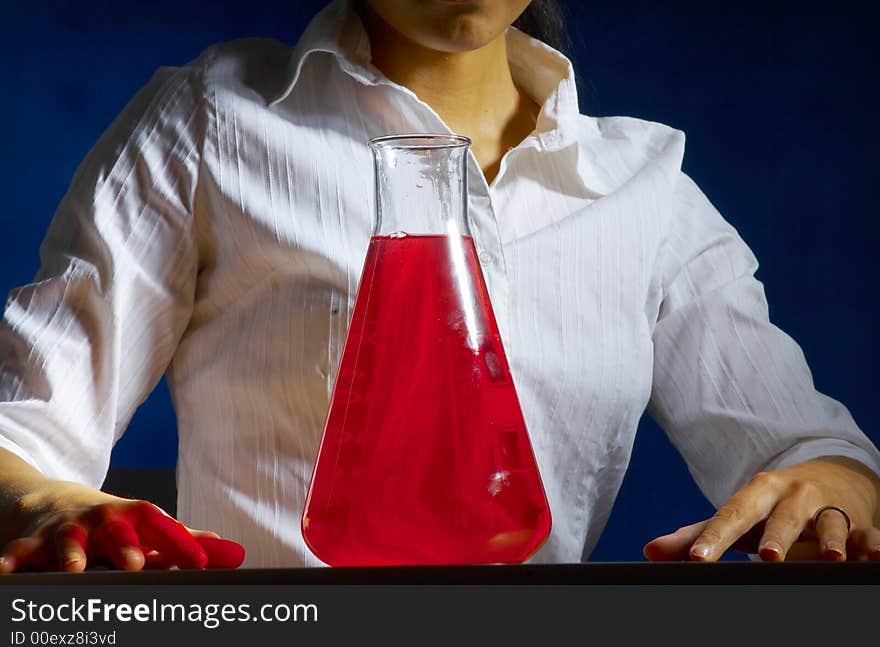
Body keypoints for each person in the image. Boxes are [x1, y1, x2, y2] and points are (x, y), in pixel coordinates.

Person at [1, 0, 878, 572]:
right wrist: (55, 506)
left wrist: (833, 486)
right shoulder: (214, 124)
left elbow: (808, 450)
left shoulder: (643, 184)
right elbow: (21, 434)